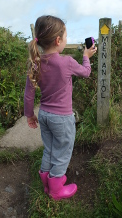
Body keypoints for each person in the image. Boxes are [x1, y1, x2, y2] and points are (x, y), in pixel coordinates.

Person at [24, 15, 97, 200]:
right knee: (63, 152)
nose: (66, 40)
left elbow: (29, 94)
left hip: (45, 115)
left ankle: (47, 183)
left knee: (49, 149)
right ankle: (56, 190)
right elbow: (86, 73)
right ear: (58, 41)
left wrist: (29, 114)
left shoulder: (36, 62)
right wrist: (86, 56)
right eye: (65, 37)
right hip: (62, 118)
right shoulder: (66, 62)